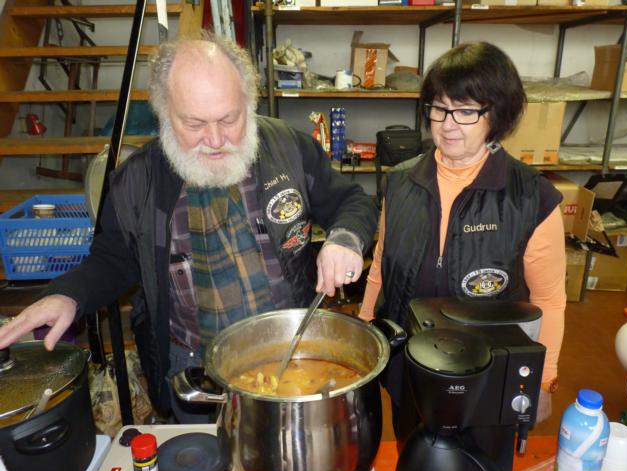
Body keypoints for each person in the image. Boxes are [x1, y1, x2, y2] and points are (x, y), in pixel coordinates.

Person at [0, 31, 378, 422]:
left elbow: (352, 201)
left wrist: (344, 238)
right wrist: (68, 296)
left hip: (292, 347)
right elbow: (113, 258)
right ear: (165, 112)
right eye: (194, 123)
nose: (215, 140)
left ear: (248, 103)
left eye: (229, 119)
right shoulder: (136, 181)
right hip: (194, 367)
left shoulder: (288, 147)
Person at [359, 42, 566, 433]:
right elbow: (381, 267)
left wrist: (543, 379)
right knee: (410, 448)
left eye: (466, 111)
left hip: (487, 373)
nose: (447, 124)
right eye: (439, 108)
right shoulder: (401, 182)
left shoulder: (530, 197)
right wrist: (366, 333)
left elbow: (549, 300)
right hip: (409, 365)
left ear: (497, 115)